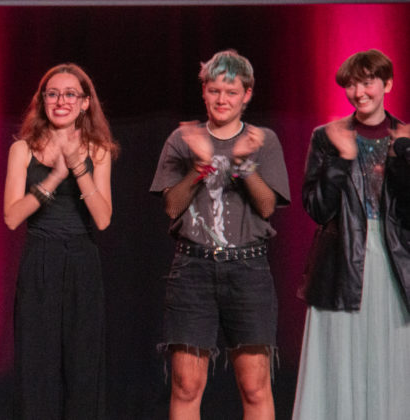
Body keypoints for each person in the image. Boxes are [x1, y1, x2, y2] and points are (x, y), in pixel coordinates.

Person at [149, 50, 290, 420]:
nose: (222, 99)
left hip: (248, 269)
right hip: (192, 269)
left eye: (231, 92)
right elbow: (172, 207)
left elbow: (266, 207)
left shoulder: (263, 140)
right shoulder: (182, 140)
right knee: (186, 385)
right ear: (204, 92)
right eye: (214, 91)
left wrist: (243, 164)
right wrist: (202, 166)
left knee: (255, 386)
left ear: (247, 94)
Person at [292, 49, 410, 420]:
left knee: (391, 357)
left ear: (387, 85)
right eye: (352, 85)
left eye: (367, 83)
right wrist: (341, 160)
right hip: (341, 263)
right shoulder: (326, 137)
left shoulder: (406, 138)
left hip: (395, 263)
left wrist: (404, 155)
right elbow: (316, 208)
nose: (359, 93)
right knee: (341, 359)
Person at [4, 63, 118, 419]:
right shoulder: (23, 149)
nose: (61, 101)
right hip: (40, 258)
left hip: (82, 260)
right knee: (36, 369)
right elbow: (11, 217)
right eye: (52, 94)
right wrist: (53, 178)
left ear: (85, 103)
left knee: (83, 368)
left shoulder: (98, 150)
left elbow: (102, 219)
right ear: (42, 101)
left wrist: (77, 167)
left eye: (70, 94)